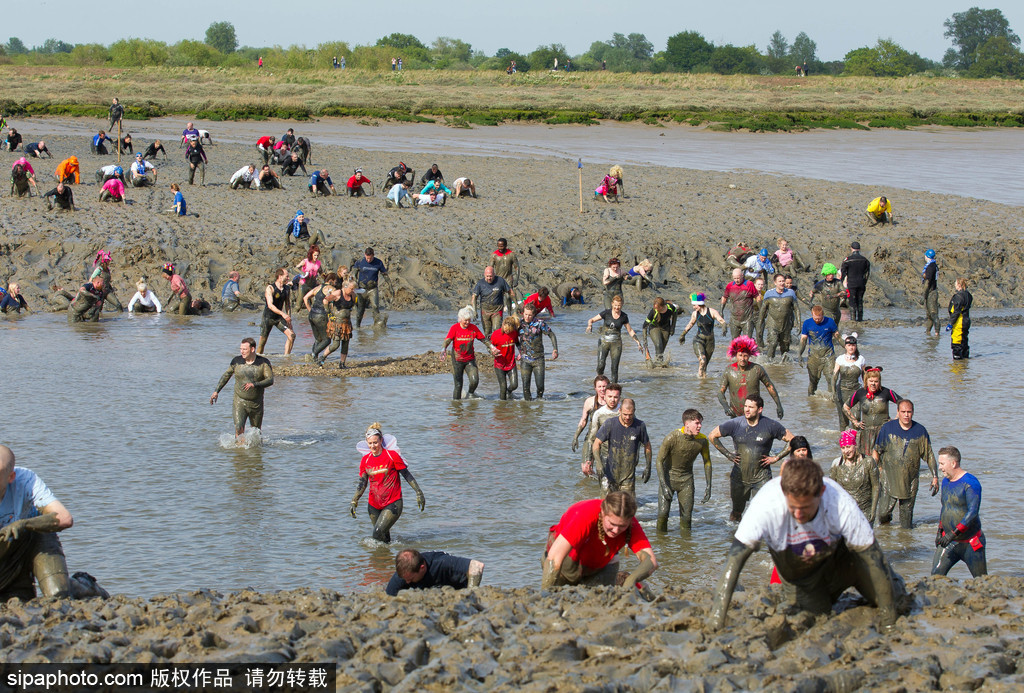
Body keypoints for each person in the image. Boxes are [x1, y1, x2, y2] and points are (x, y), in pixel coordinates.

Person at [709, 456, 899, 632]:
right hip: (803, 579)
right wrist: (717, 621)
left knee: (897, 600)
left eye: (806, 508)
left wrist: (889, 623)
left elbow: (874, 558)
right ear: (784, 492)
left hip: (845, 563)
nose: (799, 515)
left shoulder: (838, 501)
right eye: (793, 507)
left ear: (821, 492)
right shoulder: (765, 505)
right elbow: (733, 565)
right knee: (815, 620)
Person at [0, 445, 74, 602]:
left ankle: (81, 585)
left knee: (58, 595)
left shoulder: (26, 480)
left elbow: (64, 518)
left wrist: (25, 524)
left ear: (10, 477)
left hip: (29, 543)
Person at [542, 492, 657, 591]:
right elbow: (554, 559)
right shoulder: (585, 515)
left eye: (622, 526)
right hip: (567, 562)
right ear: (602, 514)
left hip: (598, 564)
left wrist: (631, 581)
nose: (616, 530)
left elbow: (651, 561)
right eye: (612, 524)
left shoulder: (631, 525)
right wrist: (545, 596)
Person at [709, 394, 794, 522]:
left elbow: (793, 440)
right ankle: (734, 537)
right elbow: (712, 436)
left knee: (762, 513)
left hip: (762, 477)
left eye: (751, 407)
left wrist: (776, 458)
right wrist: (728, 455)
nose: (746, 410)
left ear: (760, 409)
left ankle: (761, 540)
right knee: (736, 512)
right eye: (745, 406)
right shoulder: (735, 424)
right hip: (739, 477)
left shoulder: (771, 425)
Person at [349, 424, 425, 543]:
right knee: (383, 539)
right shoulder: (365, 460)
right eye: (370, 443)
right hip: (373, 505)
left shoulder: (392, 456)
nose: (373, 446)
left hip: (393, 502)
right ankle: (385, 560)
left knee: (377, 532)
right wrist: (355, 500)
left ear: (381, 441)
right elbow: (362, 483)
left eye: (375, 442)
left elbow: (406, 474)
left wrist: (418, 492)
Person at [873, 399, 938, 528]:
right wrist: (877, 469)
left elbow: (929, 455)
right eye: (903, 412)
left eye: (909, 412)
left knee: (906, 523)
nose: (906, 415)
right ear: (898, 412)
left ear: (913, 412)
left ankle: (906, 545)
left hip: (910, 481)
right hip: (888, 478)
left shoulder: (920, 431)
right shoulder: (887, 428)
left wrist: (935, 476)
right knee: (882, 514)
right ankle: (887, 539)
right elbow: (876, 451)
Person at [932, 446, 986, 578]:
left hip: (970, 542)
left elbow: (972, 513)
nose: (939, 468)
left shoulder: (971, 483)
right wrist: (940, 532)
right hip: (948, 542)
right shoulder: (945, 481)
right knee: (935, 578)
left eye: (942, 464)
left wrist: (953, 533)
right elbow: (945, 508)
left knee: (982, 581)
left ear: (953, 463)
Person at [210, 338, 274, 444]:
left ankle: (256, 457)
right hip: (239, 401)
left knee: (256, 433)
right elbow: (226, 376)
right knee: (239, 428)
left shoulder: (263, 363)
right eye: (241, 349)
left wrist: (255, 384)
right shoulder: (236, 361)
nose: (242, 351)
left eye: (244, 349)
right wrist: (216, 391)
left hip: (256, 403)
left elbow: (270, 380)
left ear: (252, 349)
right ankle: (240, 456)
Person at [656, 409, 712, 531]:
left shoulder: (702, 440)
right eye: (697, 423)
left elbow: (707, 462)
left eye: (700, 423)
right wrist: (663, 485)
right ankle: (661, 545)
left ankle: (686, 547)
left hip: (686, 481)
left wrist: (709, 485)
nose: (700, 426)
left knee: (686, 518)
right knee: (663, 514)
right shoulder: (672, 437)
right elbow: (659, 461)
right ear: (687, 424)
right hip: (668, 479)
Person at [588, 399, 651, 497]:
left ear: (634, 411)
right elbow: (596, 443)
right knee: (607, 506)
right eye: (625, 414)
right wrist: (598, 464)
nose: (627, 417)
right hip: (609, 474)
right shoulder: (610, 424)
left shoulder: (640, 426)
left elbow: (647, 446)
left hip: (628, 476)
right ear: (620, 411)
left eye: (630, 414)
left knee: (627, 508)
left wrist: (648, 467)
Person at [718, 336, 784, 419]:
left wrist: (778, 405)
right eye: (740, 355)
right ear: (735, 355)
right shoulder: (729, 371)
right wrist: (726, 407)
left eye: (745, 356)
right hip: (735, 415)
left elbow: (769, 386)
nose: (742, 359)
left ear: (749, 355)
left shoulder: (757, 369)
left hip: (755, 415)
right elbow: (720, 392)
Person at [844, 366, 900, 457]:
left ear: (879, 382)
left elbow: (902, 404)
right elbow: (845, 407)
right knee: (868, 460)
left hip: (883, 431)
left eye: (876, 381)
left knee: (884, 459)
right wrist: (855, 422)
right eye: (871, 381)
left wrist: (895, 420)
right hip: (866, 432)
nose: (873, 384)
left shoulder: (886, 392)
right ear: (866, 381)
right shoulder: (860, 393)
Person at [586, 295, 642, 385]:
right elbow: (591, 319)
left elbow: (630, 330)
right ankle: (600, 383)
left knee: (614, 367)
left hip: (616, 343)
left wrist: (638, 342)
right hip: (604, 341)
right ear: (612, 304)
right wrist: (589, 325)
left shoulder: (624, 316)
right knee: (600, 365)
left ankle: (614, 386)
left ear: (622, 305)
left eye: (619, 305)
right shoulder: (606, 313)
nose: (617, 307)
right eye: (615, 305)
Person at [441, 306, 494, 399]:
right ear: (460, 319)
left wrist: (492, 347)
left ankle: (470, 394)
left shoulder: (473, 328)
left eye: (469, 320)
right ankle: (456, 408)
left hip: (470, 359)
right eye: (465, 320)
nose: (467, 322)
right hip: (457, 360)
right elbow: (447, 340)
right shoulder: (454, 328)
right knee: (458, 384)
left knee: (475, 381)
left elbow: (483, 339)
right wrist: (443, 350)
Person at [829, 429, 878, 524]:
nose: (846, 451)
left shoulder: (868, 462)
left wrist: (873, 509)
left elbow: (876, 486)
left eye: (848, 446)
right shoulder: (836, 464)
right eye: (843, 448)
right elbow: (831, 489)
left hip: (865, 510)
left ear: (855, 445)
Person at [386, 549, 484, 595]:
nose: (407, 582)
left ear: (422, 568)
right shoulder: (404, 574)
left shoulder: (442, 563)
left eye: (410, 579)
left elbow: (477, 566)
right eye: (405, 579)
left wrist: (471, 594)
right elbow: (388, 597)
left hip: (456, 586)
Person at [679, 293, 726, 377]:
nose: (693, 307)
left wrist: (724, 327)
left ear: (699, 304)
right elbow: (690, 324)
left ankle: (702, 382)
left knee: (705, 364)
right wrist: (683, 335)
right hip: (698, 339)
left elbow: (721, 320)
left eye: (694, 305)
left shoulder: (712, 311)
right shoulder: (695, 314)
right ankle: (700, 378)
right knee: (702, 360)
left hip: (710, 341)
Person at [518, 303, 558, 400]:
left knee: (540, 387)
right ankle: (527, 409)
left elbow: (551, 334)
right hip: (525, 359)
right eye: (526, 314)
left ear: (534, 315)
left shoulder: (540, 323)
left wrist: (555, 349)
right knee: (525, 387)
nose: (527, 317)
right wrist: (519, 351)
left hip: (538, 359)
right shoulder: (519, 324)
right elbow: (512, 337)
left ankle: (539, 408)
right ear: (523, 313)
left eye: (530, 315)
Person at [581, 383, 622, 478]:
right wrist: (588, 459)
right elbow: (592, 438)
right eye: (610, 396)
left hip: (622, 454)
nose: (612, 400)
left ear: (619, 397)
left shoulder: (625, 412)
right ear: (605, 397)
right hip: (604, 455)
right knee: (605, 486)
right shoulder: (599, 414)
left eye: (615, 397)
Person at [798, 305, 839, 396]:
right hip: (813, 356)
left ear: (822, 315)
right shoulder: (807, 323)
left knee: (830, 379)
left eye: (819, 318)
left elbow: (838, 337)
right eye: (815, 318)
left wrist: (849, 348)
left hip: (828, 355)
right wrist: (800, 354)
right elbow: (803, 340)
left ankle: (832, 401)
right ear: (812, 314)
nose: (817, 320)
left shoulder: (830, 322)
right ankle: (811, 402)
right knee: (813, 381)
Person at [758, 274, 801, 359]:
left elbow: (796, 309)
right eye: (779, 281)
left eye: (783, 281)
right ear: (775, 283)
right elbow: (763, 310)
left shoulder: (791, 293)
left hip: (786, 324)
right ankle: (769, 362)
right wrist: (760, 325)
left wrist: (799, 323)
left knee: (785, 346)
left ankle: (784, 366)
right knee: (773, 343)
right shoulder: (769, 294)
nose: (782, 283)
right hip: (772, 323)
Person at [304, 272, 340, 363]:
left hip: (312, 315)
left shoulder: (318, 287)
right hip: (321, 316)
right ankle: (313, 354)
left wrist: (310, 310)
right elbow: (336, 300)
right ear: (331, 281)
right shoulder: (331, 289)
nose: (336, 284)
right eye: (335, 282)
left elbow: (305, 298)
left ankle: (314, 358)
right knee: (327, 340)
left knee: (318, 339)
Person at [321, 278, 357, 368]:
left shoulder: (353, 295)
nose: (352, 290)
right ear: (345, 287)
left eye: (354, 289)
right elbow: (325, 300)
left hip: (346, 323)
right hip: (336, 322)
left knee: (346, 343)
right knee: (335, 345)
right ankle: (322, 358)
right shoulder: (338, 293)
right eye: (351, 288)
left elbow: (353, 305)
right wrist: (329, 313)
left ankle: (342, 364)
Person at [258, 269, 296, 355]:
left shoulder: (286, 288)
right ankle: (257, 358)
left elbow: (287, 305)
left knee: (292, 335)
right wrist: (283, 314)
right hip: (268, 317)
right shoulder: (270, 288)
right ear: (280, 276)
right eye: (287, 276)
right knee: (262, 343)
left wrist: (288, 318)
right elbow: (270, 305)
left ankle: (286, 357)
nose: (288, 278)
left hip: (278, 318)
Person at [831, 333, 865, 429]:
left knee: (856, 417)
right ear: (845, 346)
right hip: (841, 391)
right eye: (849, 345)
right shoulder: (840, 359)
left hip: (856, 391)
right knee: (843, 420)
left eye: (853, 345)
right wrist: (833, 393)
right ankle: (843, 442)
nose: (851, 347)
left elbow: (865, 377)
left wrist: (867, 391)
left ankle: (856, 441)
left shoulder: (861, 359)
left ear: (856, 346)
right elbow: (834, 377)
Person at [571, 376, 609, 458]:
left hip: (607, 439)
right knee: (586, 469)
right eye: (599, 387)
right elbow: (584, 420)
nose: (602, 389)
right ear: (595, 388)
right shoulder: (590, 401)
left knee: (605, 468)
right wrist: (576, 436)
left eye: (604, 386)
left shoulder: (613, 402)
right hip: (592, 436)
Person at [472, 266, 512, 335]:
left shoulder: (500, 281)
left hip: (497, 310)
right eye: (487, 276)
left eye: (490, 276)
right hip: (485, 311)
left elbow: (510, 292)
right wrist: (474, 310)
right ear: (484, 275)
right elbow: (474, 297)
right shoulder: (480, 283)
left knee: (497, 330)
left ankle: (497, 345)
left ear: (494, 274)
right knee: (487, 333)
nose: (489, 278)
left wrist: (512, 308)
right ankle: (489, 346)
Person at [353, 248, 388, 326]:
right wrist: (354, 282)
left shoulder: (378, 262)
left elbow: (385, 275)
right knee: (360, 309)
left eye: (370, 258)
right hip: (361, 289)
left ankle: (377, 325)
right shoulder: (360, 262)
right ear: (365, 255)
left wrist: (390, 286)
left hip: (373, 289)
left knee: (375, 306)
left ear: (373, 255)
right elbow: (353, 273)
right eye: (367, 258)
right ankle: (357, 326)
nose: (368, 260)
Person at [721, 268, 760, 339]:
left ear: (742, 276)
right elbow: (724, 298)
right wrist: (721, 311)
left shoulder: (749, 284)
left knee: (747, 340)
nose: (736, 280)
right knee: (735, 341)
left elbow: (757, 297)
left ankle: (752, 346)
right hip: (734, 319)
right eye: (734, 278)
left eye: (738, 278)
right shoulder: (730, 286)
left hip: (747, 318)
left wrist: (761, 311)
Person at [643, 297, 682, 362]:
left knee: (661, 349)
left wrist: (673, 327)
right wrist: (645, 339)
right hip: (654, 328)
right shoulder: (653, 311)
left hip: (666, 328)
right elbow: (644, 325)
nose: (655, 309)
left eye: (657, 308)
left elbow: (675, 314)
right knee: (658, 345)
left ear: (662, 306)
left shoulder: (670, 307)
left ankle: (659, 365)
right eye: (654, 307)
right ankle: (658, 363)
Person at [491, 315, 520, 400]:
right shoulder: (496, 334)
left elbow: (518, 343)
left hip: (511, 364)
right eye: (505, 329)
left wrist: (521, 352)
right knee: (503, 387)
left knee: (515, 385)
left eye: (509, 330)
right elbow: (489, 346)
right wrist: (492, 352)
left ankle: (509, 392)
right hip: (499, 365)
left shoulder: (514, 333)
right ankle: (502, 407)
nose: (507, 331)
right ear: (503, 325)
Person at [839, 242, 870, 322]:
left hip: (851, 283)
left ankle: (853, 319)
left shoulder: (848, 260)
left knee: (852, 301)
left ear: (851, 248)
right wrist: (864, 282)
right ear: (859, 249)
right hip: (861, 283)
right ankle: (860, 319)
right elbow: (867, 273)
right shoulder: (865, 260)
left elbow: (843, 273)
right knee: (860, 300)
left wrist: (840, 283)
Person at [947, 277, 972, 360]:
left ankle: (957, 365)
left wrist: (950, 323)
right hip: (966, 321)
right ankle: (965, 363)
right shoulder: (968, 295)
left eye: (955, 284)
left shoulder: (958, 296)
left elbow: (956, 312)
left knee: (956, 342)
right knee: (964, 341)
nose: (954, 285)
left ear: (959, 285)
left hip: (959, 322)